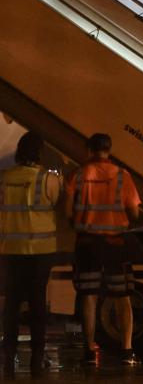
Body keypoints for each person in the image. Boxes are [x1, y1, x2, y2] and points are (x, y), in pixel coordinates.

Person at [65, 133, 141, 365]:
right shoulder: (122, 175)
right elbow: (135, 213)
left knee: (88, 297)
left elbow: (68, 212)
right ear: (109, 149)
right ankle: (127, 350)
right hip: (116, 244)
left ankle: (89, 350)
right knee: (122, 296)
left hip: (87, 244)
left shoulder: (78, 175)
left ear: (89, 150)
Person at [0, 133, 60, 376]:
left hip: (11, 251)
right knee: (37, 304)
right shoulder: (47, 179)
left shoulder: (5, 178)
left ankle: (9, 355)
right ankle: (36, 357)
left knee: (12, 304)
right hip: (40, 252)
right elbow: (55, 202)